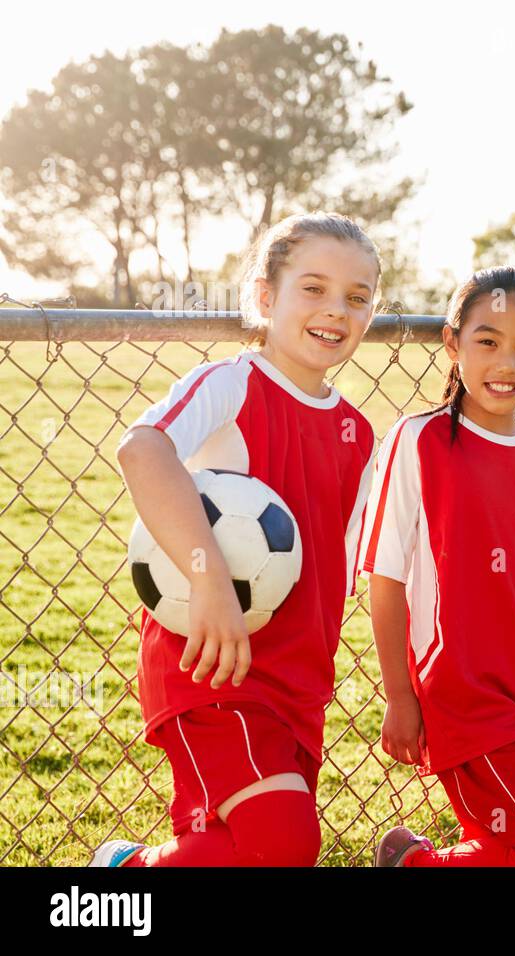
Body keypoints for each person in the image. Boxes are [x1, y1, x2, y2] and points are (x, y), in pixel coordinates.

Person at [93, 213, 381, 867]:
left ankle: (128, 868)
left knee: (237, 846)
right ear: (264, 297)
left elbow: (350, 560)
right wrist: (207, 576)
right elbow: (142, 449)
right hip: (211, 664)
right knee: (285, 840)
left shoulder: (357, 433)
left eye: (357, 298)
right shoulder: (232, 385)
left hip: (297, 682)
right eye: (313, 288)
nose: (335, 310)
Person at [368, 267, 515, 868]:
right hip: (461, 693)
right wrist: (399, 695)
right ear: (452, 344)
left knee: (503, 843)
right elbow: (385, 580)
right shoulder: (421, 441)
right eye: (487, 341)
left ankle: (412, 861)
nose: (506, 363)